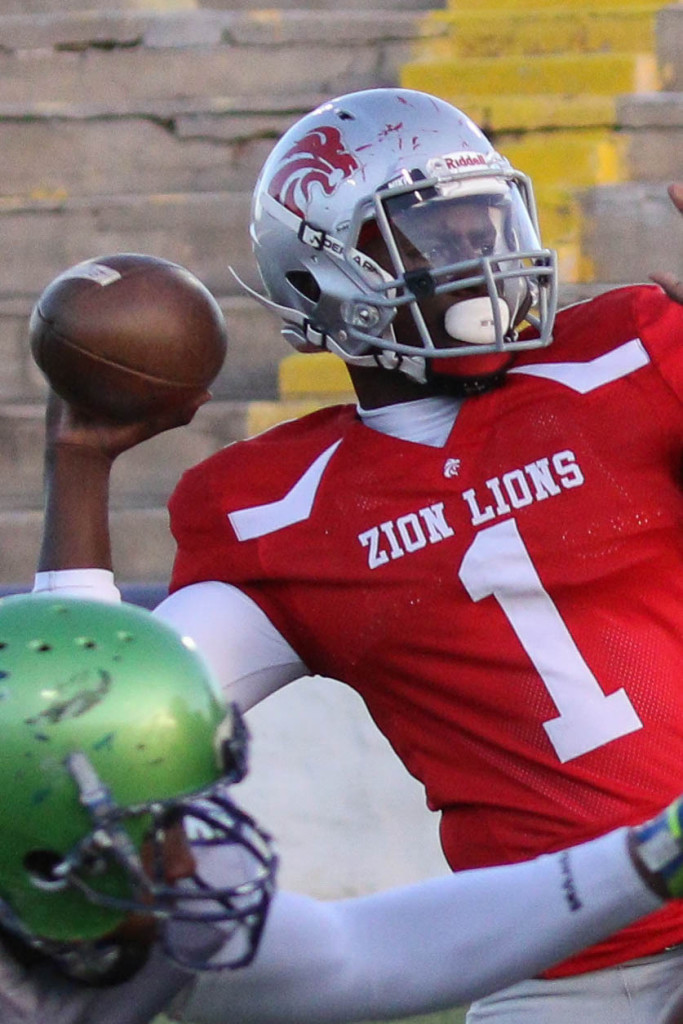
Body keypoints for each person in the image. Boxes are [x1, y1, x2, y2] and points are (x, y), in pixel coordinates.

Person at [27, 85, 683, 1021]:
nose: (482, 259)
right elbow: (95, 721)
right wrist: (80, 463)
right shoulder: (270, 506)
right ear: (316, 277)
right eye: (436, 237)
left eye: (488, 224)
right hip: (553, 954)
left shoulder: (624, 350)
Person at [5, 592, 683, 1024]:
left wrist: (656, 852)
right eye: (155, 830)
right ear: (32, 852)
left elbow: (362, 953)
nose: (187, 863)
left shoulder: (115, 910)